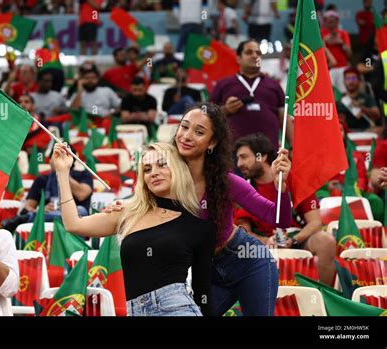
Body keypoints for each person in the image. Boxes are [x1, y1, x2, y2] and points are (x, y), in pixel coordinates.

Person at [107, 102, 293, 316]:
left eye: (199, 132)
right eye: (184, 127)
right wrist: (124, 206)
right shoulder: (165, 179)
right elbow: (144, 202)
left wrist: (281, 190)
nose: (186, 136)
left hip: (249, 262)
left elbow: (279, 219)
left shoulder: (227, 182)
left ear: (211, 142)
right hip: (206, 271)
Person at [54, 142, 217, 316]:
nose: (153, 172)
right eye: (147, 169)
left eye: (162, 164)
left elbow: (203, 293)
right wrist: (62, 172)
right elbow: (73, 224)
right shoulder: (128, 213)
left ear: (178, 169)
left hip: (177, 309)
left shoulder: (200, 227)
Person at [233, 133, 336, 285]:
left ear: (262, 157)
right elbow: (243, 231)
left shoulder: (295, 180)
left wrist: (292, 239)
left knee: (326, 241)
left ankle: (324, 297)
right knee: (238, 246)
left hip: (295, 238)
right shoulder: (243, 187)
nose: (239, 163)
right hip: (262, 245)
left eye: (244, 157)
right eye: (238, 158)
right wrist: (266, 240)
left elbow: (315, 223)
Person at [210, 39, 294, 150]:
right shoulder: (223, 84)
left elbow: (284, 119)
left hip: (269, 154)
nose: (255, 56)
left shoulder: (274, 85)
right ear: (238, 58)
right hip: (233, 153)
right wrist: (226, 110)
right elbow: (208, 116)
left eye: (258, 53)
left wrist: (293, 147)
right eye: (249, 52)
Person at [321, 10, 352, 94]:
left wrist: (341, 43)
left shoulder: (343, 34)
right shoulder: (320, 33)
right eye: (329, 22)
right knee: (328, 92)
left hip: (342, 67)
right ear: (325, 21)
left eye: (333, 22)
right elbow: (317, 53)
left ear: (337, 21)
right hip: (328, 68)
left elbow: (349, 55)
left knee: (344, 92)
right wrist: (324, 41)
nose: (331, 24)